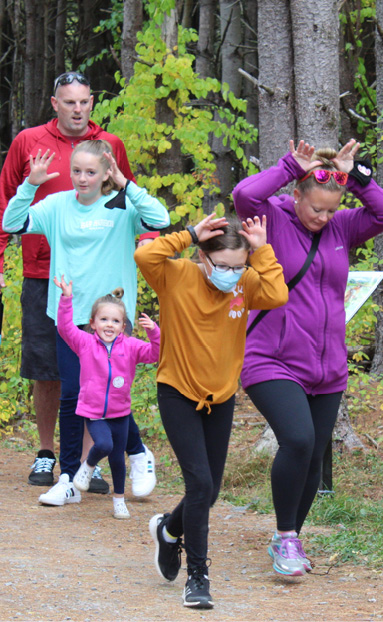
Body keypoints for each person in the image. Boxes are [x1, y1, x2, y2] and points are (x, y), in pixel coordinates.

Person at [232, 138, 383, 576]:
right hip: (270, 358)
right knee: (299, 439)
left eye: (330, 209)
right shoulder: (272, 217)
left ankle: (290, 537)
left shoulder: (343, 227)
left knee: (312, 452)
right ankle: (287, 537)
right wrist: (291, 163)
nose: (323, 218)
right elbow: (244, 195)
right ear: (296, 197)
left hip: (327, 367)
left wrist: (356, 175)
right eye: (316, 209)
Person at [0, 71, 158, 494]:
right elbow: (9, 211)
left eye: (84, 101)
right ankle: (55, 459)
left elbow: (144, 215)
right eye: (68, 101)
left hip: (107, 299)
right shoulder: (32, 151)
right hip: (52, 285)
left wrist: (152, 261)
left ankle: (99, 461)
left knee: (103, 383)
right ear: (55, 103)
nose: (77, 108)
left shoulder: (112, 155)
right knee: (54, 378)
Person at [134, 213, 288, 609]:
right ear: (203, 258)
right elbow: (146, 256)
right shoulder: (176, 275)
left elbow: (277, 294)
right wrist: (188, 235)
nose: (231, 274)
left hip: (220, 398)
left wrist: (261, 250)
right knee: (200, 486)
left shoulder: (246, 282)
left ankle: (168, 530)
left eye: (239, 267)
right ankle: (198, 577)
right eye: (222, 266)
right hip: (177, 392)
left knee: (211, 490)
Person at [54, 276, 160, 519]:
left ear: (123, 326)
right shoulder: (85, 344)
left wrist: (154, 332)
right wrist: (66, 299)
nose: (109, 325)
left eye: (115, 321)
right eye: (103, 320)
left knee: (118, 460)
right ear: (92, 323)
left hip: (120, 413)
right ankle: (88, 466)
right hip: (93, 412)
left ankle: (119, 501)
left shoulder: (131, 347)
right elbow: (65, 328)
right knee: (103, 444)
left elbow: (155, 353)